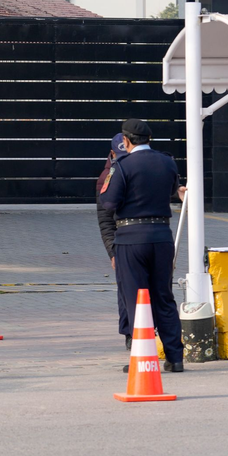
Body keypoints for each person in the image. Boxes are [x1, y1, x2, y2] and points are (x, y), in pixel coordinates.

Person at [100, 118, 187, 373]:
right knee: (163, 296)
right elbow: (173, 190)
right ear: (149, 139)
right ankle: (175, 358)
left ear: (125, 141)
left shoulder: (122, 165)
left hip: (130, 238)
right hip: (162, 236)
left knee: (136, 299)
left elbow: (108, 202)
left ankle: (142, 357)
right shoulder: (167, 161)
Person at [96, 133, 131, 350]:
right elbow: (105, 221)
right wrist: (112, 252)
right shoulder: (105, 179)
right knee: (126, 290)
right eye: (120, 156)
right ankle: (129, 333)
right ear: (112, 154)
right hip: (122, 240)